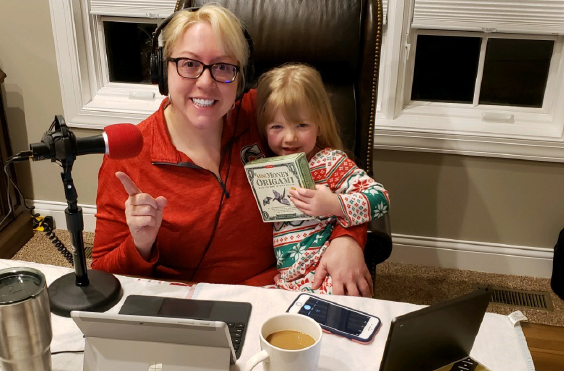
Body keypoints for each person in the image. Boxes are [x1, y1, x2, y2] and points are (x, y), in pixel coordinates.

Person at [91, 4, 374, 296]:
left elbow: (342, 180)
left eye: (223, 67)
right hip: (180, 301)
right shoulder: (129, 154)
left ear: (241, 78)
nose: (205, 82)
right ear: (162, 70)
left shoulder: (266, 116)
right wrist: (140, 244)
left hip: (275, 291)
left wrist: (347, 239)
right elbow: (102, 274)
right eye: (189, 64)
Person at [256, 63, 390, 295]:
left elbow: (380, 199)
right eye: (277, 126)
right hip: (286, 280)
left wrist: (334, 204)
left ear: (319, 125)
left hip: (325, 276)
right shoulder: (267, 169)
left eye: (302, 125)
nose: (290, 137)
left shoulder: (329, 162)